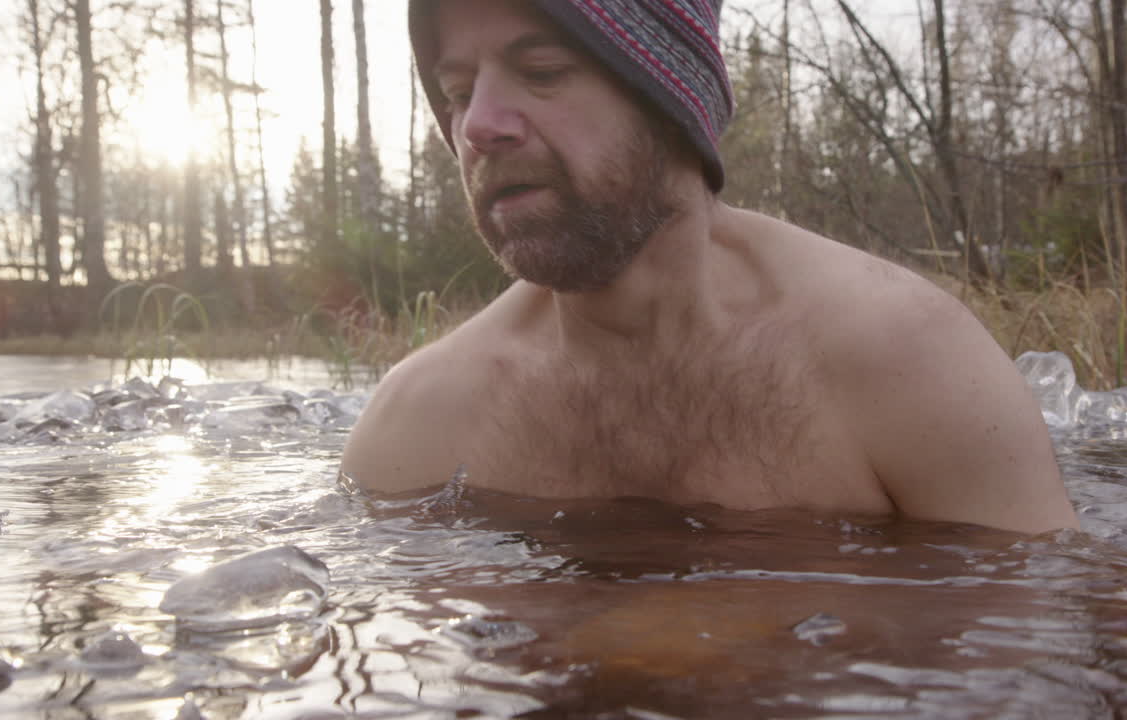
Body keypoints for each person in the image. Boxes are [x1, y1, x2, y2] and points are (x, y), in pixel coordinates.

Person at [340, 0, 1079, 534]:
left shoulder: (909, 364)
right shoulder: (416, 427)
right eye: (457, 92)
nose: (476, 125)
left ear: (671, 100)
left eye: (541, 70)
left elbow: (1045, 657)